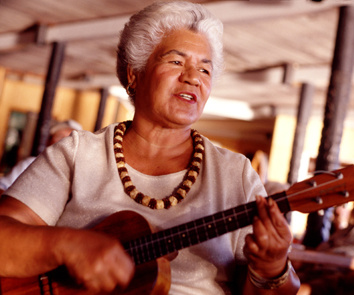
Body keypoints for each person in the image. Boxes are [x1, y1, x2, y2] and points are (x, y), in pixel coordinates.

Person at [0, 2, 300, 294]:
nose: (193, 77)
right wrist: (66, 245)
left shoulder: (236, 174)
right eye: (176, 61)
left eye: (205, 71)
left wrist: (272, 267)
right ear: (134, 73)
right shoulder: (77, 154)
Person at [0, 119, 82, 195]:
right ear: (48, 141)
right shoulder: (30, 163)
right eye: (60, 137)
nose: (63, 143)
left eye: (69, 140)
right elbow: (3, 186)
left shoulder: (78, 173)